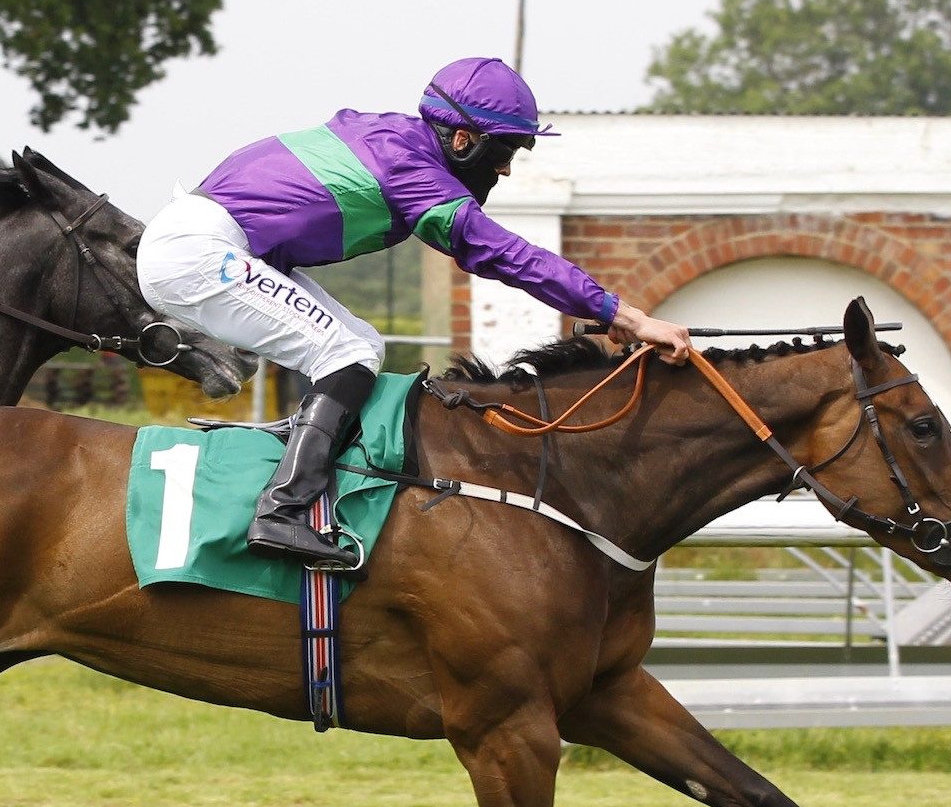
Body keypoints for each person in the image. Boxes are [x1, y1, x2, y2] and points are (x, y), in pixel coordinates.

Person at [136, 56, 693, 569]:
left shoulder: (393, 138)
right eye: (501, 153)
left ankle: (299, 457)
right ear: (461, 138)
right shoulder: (407, 165)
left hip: (214, 246)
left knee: (362, 344)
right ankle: (281, 511)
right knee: (346, 351)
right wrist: (625, 315)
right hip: (199, 251)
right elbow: (499, 252)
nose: (503, 171)